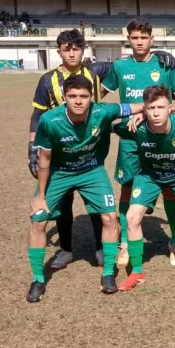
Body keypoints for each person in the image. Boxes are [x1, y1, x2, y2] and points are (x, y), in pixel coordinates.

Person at [28, 29, 175, 270]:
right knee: (63, 205)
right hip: (59, 148)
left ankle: (101, 248)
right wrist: (31, 147)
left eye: (77, 48)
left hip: (90, 148)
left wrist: (158, 53)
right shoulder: (48, 79)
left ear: (83, 50)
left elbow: (130, 62)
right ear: (59, 52)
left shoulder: (95, 70)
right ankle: (66, 249)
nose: (72, 53)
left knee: (98, 204)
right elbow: (37, 114)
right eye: (67, 49)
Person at [26, 75, 145, 303]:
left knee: (110, 217)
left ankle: (108, 273)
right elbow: (44, 159)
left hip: (92, 170)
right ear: (64, 98)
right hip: (59, 172)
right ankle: (38, 278)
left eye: (83, 96)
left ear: (92, 97)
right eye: (72, 96)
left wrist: (147, 112)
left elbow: (144, 104)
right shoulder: (50, 120)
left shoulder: (103, 111)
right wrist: (40, 196)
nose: (78, 101)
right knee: (38, 219)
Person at [101, 17, 175, 268]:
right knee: (126, 187)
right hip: (133, 137)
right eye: (135, 37)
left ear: (152, 39)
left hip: (162, 138)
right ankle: (124, 243)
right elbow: (98, 94)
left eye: (144, 37)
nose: (140, 41)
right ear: (128, 39)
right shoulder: (120, 67)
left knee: (168, 187)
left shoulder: (164, 64)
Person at [111, 86, 175, 292]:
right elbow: (108, 125)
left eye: (161, 107)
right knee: (133, 217)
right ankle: (136, 272)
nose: (156, 112)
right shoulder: (137, 127)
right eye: (151, 108)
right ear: (144, 109)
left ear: (169, 107)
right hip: (149, 176)